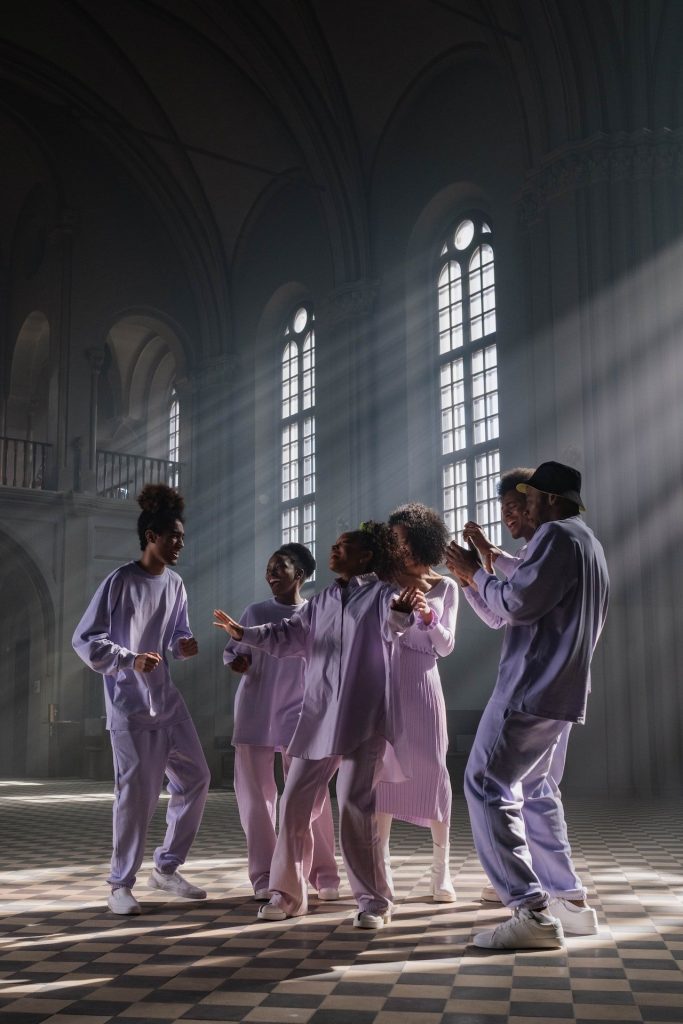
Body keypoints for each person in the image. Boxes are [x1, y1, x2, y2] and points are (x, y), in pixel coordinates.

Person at [445, 462, 609, 949]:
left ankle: (529, 910)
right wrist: (483, 567)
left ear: (551, 500)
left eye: (529, 500)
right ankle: (569, 901)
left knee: (484, 782)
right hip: (564, 691)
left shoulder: (556, 537)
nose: (523, 510)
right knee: (537, 788)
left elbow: (516, 605)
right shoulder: (587, 543)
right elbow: (520, 593)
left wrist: (474, 572)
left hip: (530, 686)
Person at [213, 523, 404, 929]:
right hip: (318, 716)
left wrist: (404, 616)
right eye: (334, 546)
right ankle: (286, 893)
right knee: (294, 802)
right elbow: (288, 635)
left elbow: (397, 627)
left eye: (343, 547)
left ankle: (374, 901)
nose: (334, 551)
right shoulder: (324, 600)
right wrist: (243, 633)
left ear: (366, 556)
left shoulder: (384, 595)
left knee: (356, 806)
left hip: (363, 715)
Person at [72, 484, 210, 915]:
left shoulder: (176, 583)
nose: (180, 544)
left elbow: (177, 634)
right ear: (151, 535)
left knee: (197, 779)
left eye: (183, 538)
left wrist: (184, 644)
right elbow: (85, 640)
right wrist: (130, 660)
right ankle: (119, 884)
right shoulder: (120, 581)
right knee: (137, 796)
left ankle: (166, 867)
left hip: (167, 700)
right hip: (129, 707)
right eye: (173, 537)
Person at [223, 542, 339, 901]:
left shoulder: (318, 612)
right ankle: (263, 875)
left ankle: (323, 873)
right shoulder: (255, 610)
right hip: (256, 708)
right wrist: (236, 662)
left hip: (302, 711)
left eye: (280, 567)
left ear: (300, 575)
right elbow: (233, 652)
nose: (271, 574)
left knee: (309, 794)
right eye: (269, 568)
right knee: (256, 799)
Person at [374, 503, 458, 902]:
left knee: (433, 769)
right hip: (385, 680)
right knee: (383, 772)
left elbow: (446, 646)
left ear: (425, 540)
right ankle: (379, 866)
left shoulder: (446, 586)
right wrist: (398, 614)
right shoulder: (381, 581)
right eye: (395, 543)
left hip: (424, 682)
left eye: (406, 542)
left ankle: (441, 871)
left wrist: (428, 617)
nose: (401, 550)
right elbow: (375, 635)